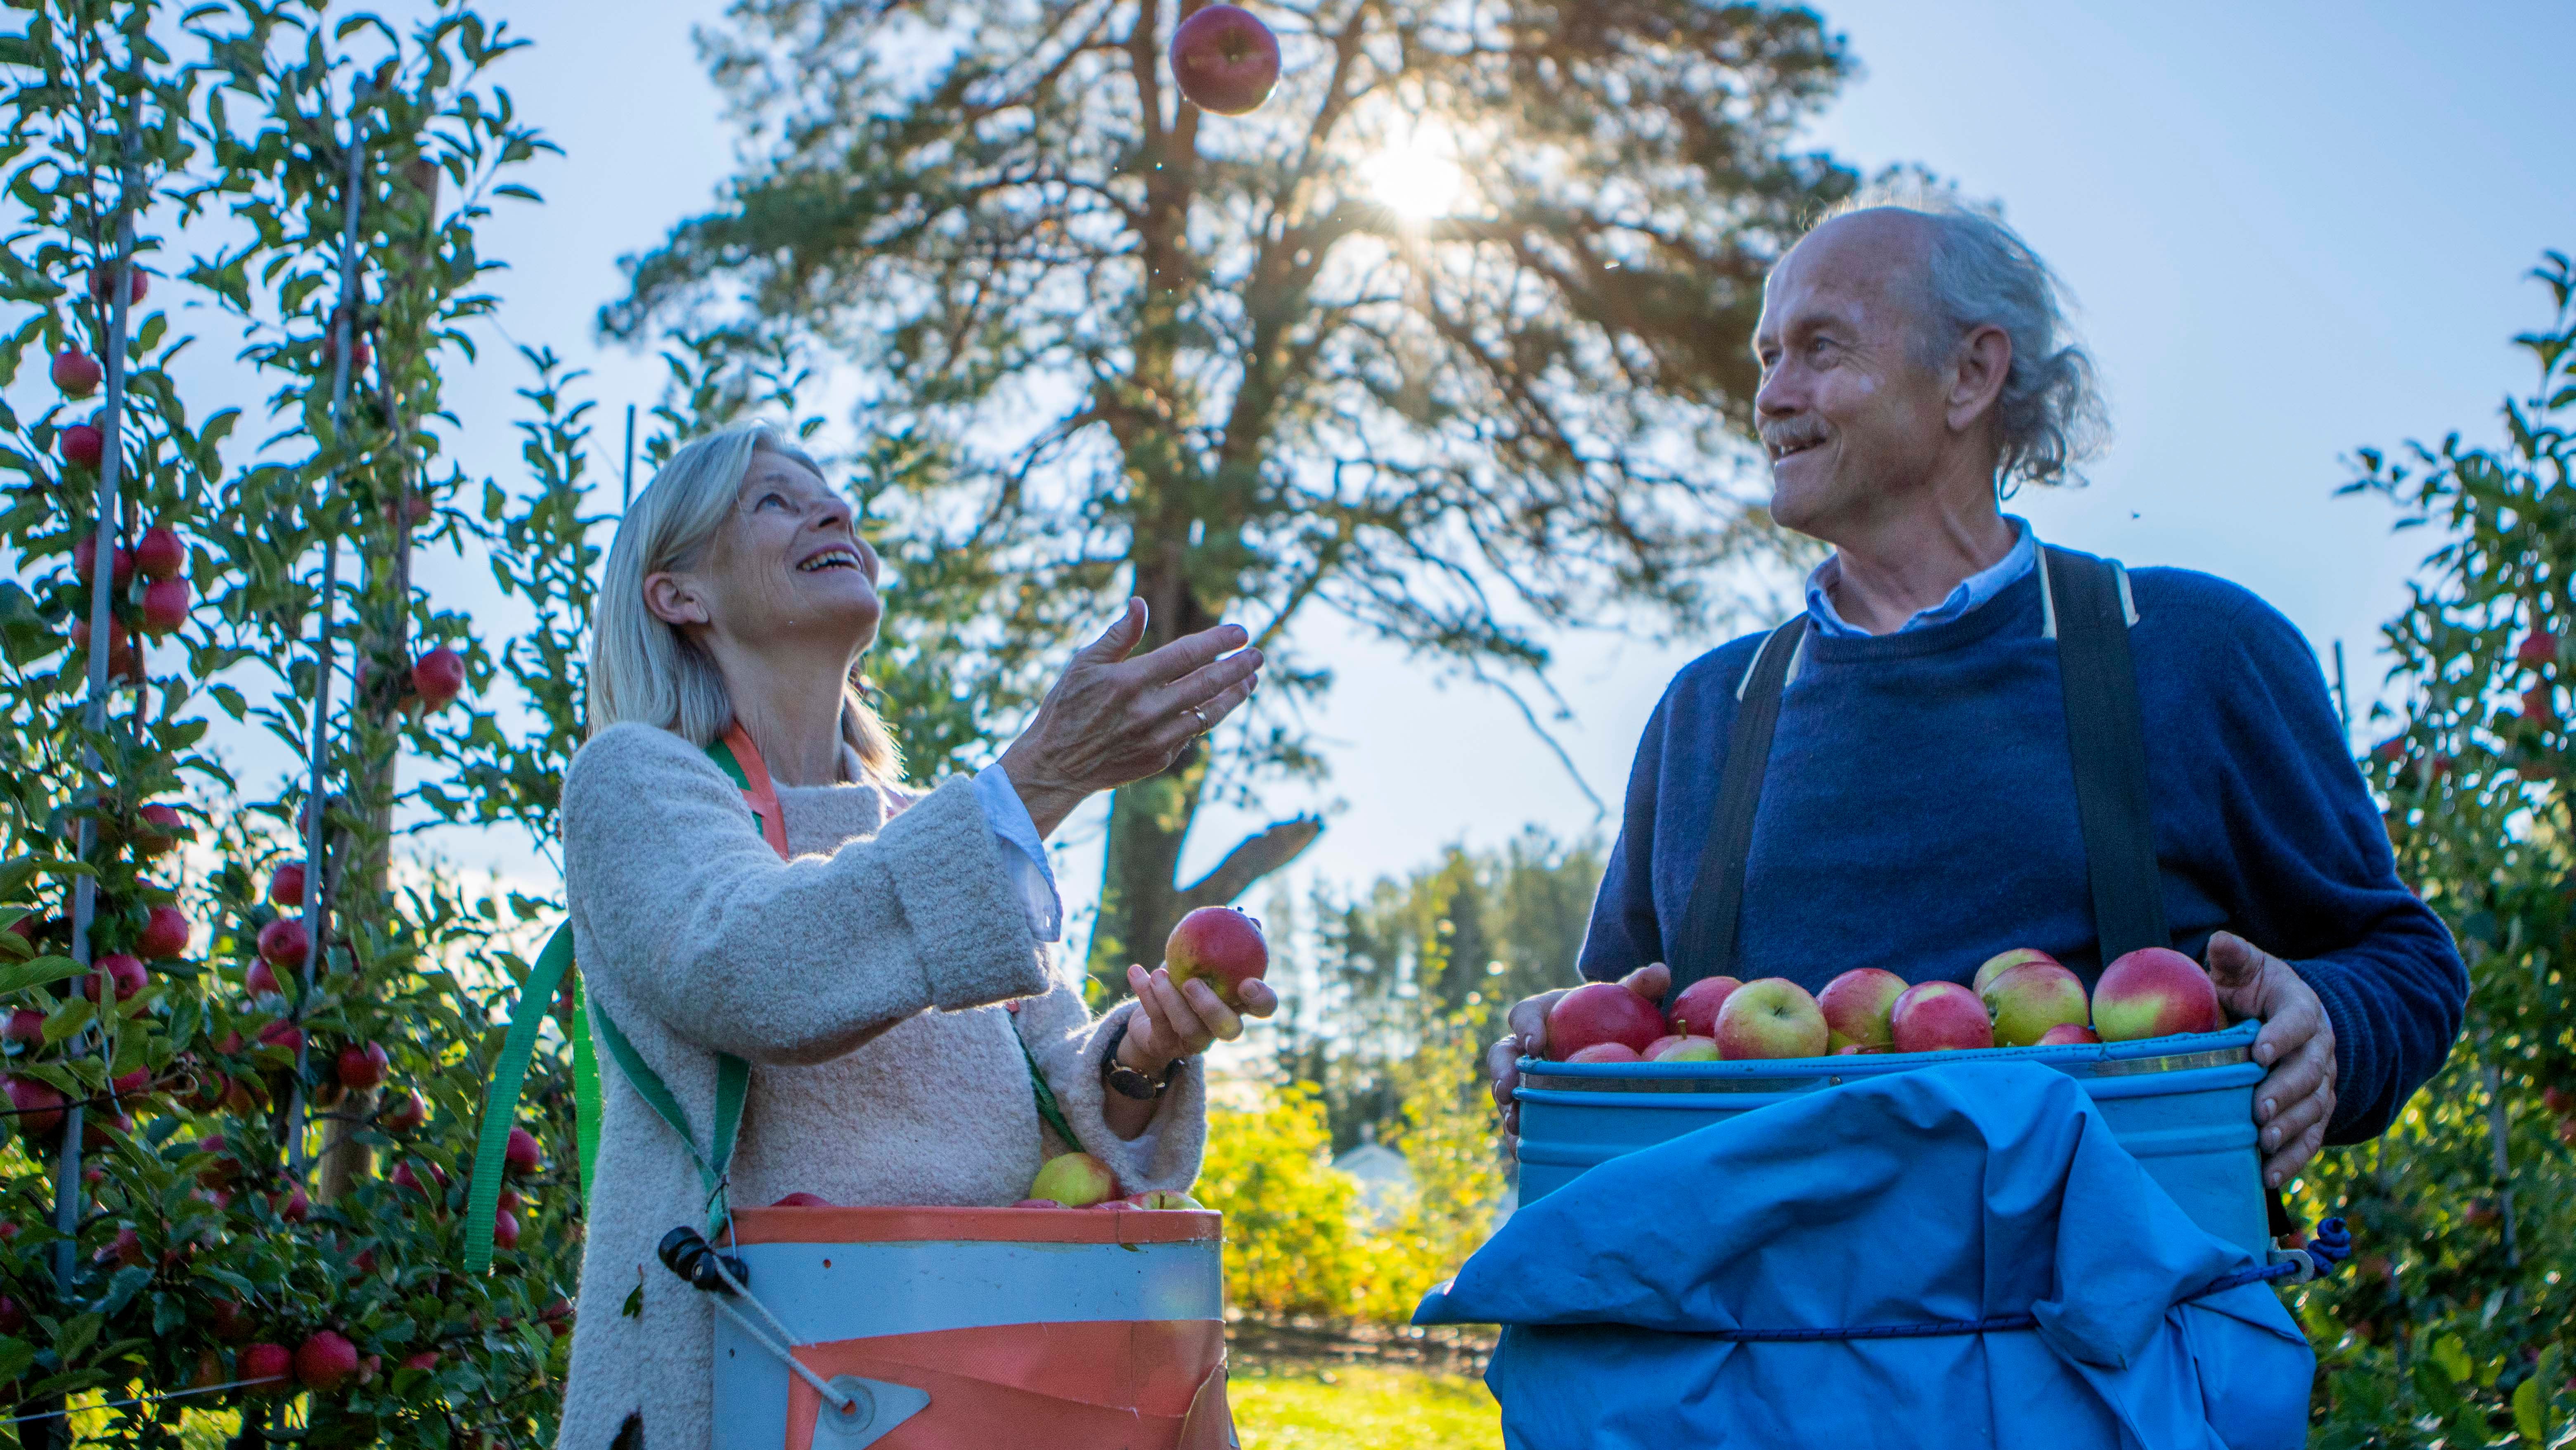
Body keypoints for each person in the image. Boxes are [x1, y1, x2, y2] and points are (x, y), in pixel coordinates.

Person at [1487, 198, 2466, 1201]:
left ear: (1970, 374)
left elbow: (2402, 964)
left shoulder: (2188, 652)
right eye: (1765, 356)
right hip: (1758, 1345)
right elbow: (1630, 1025)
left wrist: (2330, 1024)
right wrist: (1552, 1049)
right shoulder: (1711, 711)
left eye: (1819, 347)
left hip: (2095, 1345)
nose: (1772, 393)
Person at [553, 423, 1270, 1449]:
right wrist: (1039, 778)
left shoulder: (933, 828)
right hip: (763, 1383)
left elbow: (1056, 1080)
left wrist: (1142, 1060)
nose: (833, 512)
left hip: (994, 1380)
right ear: (678, 593)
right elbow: (752, 971)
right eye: (774, 501)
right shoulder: (639, 780)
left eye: (830, 497)